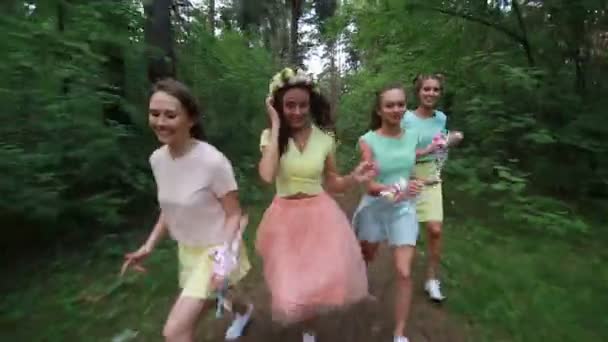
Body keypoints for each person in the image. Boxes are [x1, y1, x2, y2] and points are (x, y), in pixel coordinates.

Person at [121, 79, 253, 342]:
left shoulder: (212, 161)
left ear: (191, 119)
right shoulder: (157, 160)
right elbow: (169, 209)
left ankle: (240, 305)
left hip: (216, 250)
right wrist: (148, 246)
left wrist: (223, 260)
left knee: (175, 331)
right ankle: (245, 311)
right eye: (154, 113)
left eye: (170, 115)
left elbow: (234, 214)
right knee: (227, 294)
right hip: (188, 251)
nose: (160, 122)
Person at [256, 67, 375, 342]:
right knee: (289, 290)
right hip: (284, 218)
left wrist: (353, 178)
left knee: (317, 282)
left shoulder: (325, 139)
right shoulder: (271, 138)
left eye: (302, 105)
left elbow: (332, 182)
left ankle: (309, 332)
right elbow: (266, 175)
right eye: (289, 105)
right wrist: (275, 126)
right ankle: (304, 325)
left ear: (311, 105)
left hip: (319, 215)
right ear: (278, 106)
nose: (297, 112)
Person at [352, 83, 433, 342]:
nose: (396, 109)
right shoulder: (368, 141)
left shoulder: (412, 136)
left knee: (404, 271)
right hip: (375, 208)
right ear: (379, 110)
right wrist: (398, 187)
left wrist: (416, 184)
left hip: (403, 210)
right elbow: (371, 186)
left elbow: (410, 169)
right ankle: (359, 284)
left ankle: (399, 334)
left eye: (400, 104)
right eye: (390, 105)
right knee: (367, 254)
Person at [402, 73, 463, 302]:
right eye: (426, 89)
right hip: (407, 176)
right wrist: (427, 151)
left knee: (435, 231)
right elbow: (399, 151)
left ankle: (432, 280)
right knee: (407, 233)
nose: (431, 93)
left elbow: (441, 144)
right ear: (418, 92)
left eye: (435, 90)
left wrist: (453, 138)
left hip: (431, 177)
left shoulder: (441, 119)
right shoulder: (405, 118)